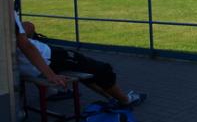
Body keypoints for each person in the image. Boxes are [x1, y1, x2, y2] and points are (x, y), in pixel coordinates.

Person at [15, 13, 146, 106]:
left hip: (42, 59)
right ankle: (125, 100)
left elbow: (25, 32)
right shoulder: (5, 10)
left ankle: (112, 98)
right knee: (102, 69)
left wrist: (28, 29)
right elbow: (26, 46)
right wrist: (51, 75)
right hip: (48, 58)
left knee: (84, 67)